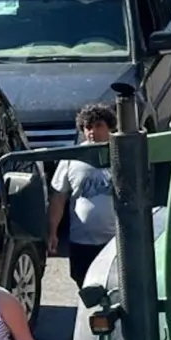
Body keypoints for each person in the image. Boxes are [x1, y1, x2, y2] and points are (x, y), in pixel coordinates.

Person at [48, 103, 118, 289]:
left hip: (115, 241)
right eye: (88, 127)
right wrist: (53, 232)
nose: (92, 132)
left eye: (98, 126)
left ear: (110, 127)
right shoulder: (72, 158)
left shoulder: (121, 155)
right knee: (86, 287)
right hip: (81, 241)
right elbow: (58, 198)